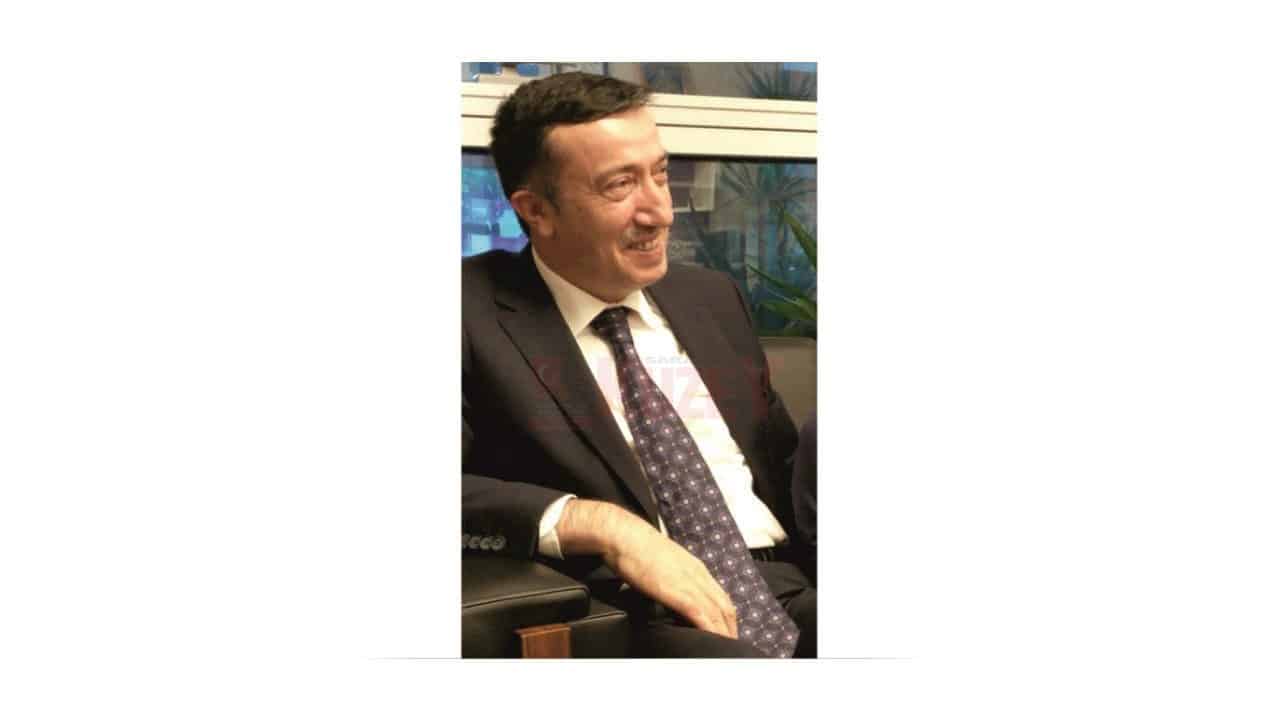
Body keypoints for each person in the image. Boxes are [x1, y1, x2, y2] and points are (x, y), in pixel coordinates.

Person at [462, 72, 815, 657]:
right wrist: (602, 525)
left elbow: (780, 460)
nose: (660, 212)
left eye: (660, 174)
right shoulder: (468, 312)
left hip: (784, 583)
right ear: (536, 210)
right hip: (635, 609)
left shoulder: (710, 298)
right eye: (620, 185)